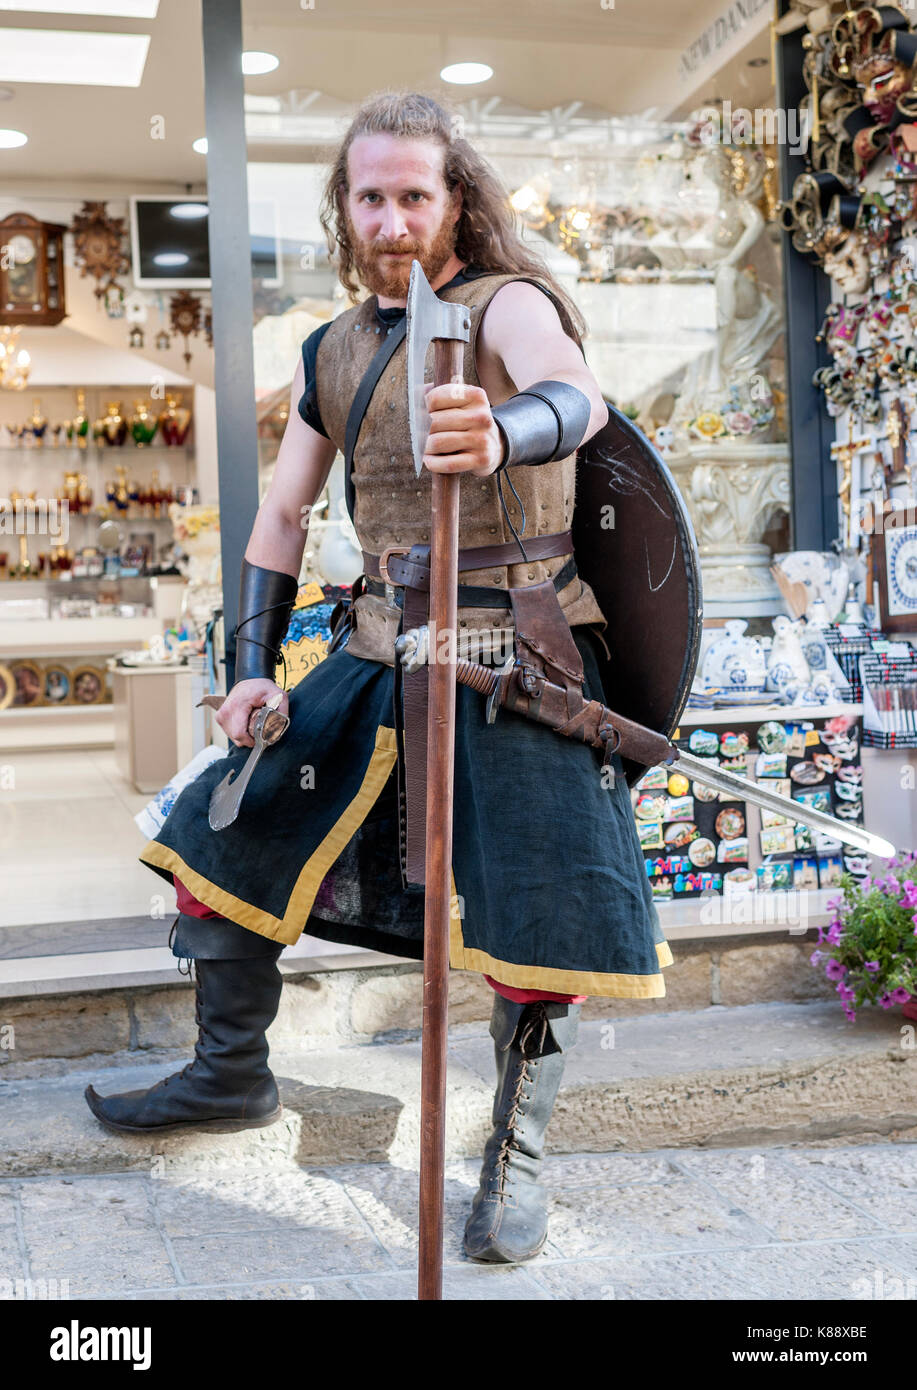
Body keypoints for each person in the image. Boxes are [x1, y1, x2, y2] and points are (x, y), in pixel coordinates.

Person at [85, 90, 673, 1266]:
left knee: (532, 911)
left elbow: (576, 393)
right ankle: (228, 1074)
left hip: (517, 652)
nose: (394, 216)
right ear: (344, 209)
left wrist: (506, 432)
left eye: (416, 192)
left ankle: (513, 1160)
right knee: (219, 828)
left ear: (455, 198)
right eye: (372, 195)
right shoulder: (333, 348)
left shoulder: (507, 305)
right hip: (374, 642)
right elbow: (283, 516)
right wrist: (249, 670)